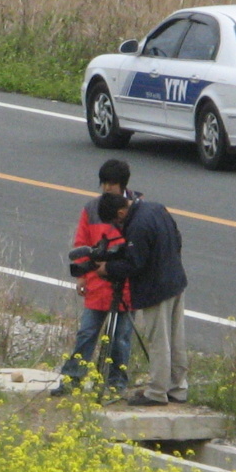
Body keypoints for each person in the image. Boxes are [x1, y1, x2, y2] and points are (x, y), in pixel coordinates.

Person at [50, 158, 138, 397]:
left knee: (120, 338)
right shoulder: (91, 209)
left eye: (112, 184)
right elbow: (82, 242)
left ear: (122, 185)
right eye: (104, 184)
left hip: (126, 285)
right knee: (87, 333)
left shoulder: (134, 210)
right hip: (97, 283)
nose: (107, 188)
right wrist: (82, 275)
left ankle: (115, 383)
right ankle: (72, 379)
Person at [96, 191, 189, 407]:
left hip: (156, 289)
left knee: (159, 341)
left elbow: (135, 264)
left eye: (116, 221)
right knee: (176, 339)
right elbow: (177, 239)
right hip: (176, 280)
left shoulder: (137, 225)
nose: (117, 226)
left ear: (121, 211)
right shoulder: (156, 207)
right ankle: (178, 388)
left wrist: (108, 268)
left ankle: (157, 392)